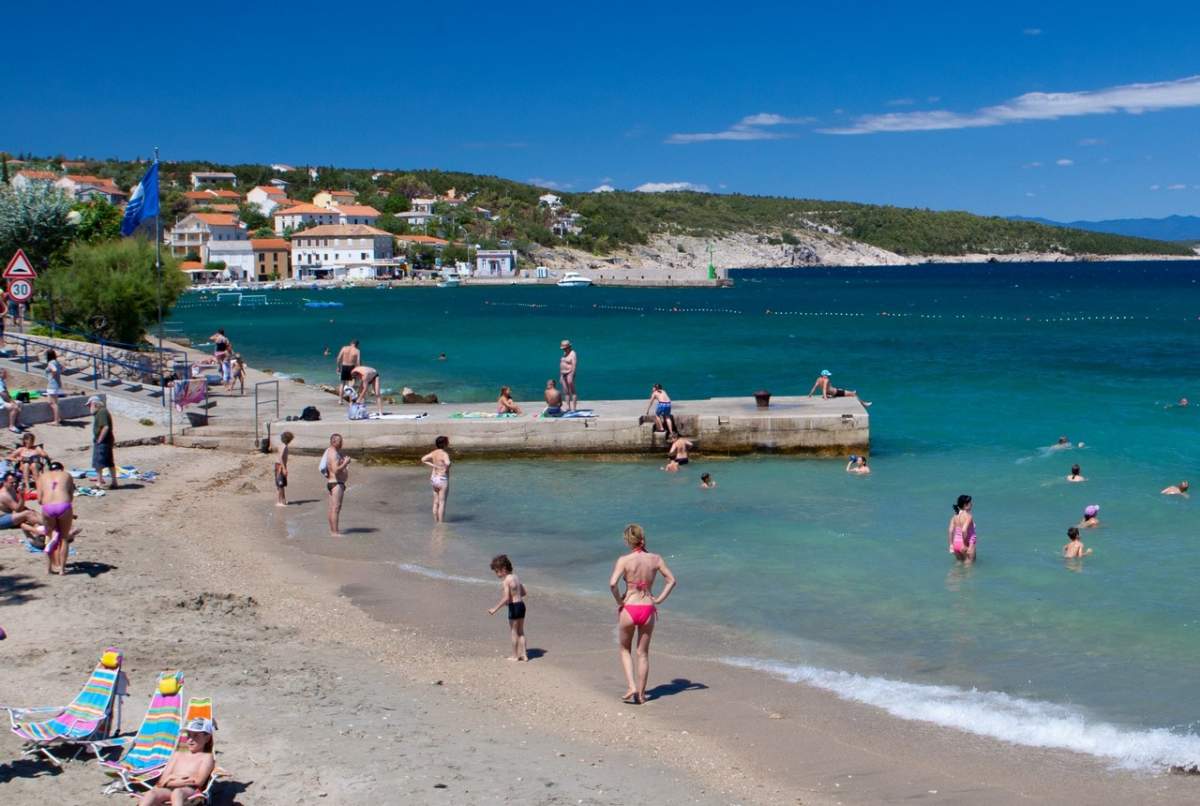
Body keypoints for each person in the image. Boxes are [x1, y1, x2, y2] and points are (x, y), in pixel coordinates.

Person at [608, 524, 676, 705]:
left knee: (624, 649)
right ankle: (642, 694)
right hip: (647, 608)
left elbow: (613, 583)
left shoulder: (624, 560)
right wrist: (659, 599)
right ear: (642, 538)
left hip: (629, 607)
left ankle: (631, 686)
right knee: (643, 653)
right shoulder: (655, 559)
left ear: (627, 541)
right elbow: (672, 580)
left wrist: (619, 601)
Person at [136, 717, 216, 806]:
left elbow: (198, 782)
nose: (190, 739)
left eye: (196, 735)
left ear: (207, 738)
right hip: (168, 789)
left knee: (177, 793)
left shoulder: (206, 757)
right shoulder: (177, 754)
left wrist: (170, 779)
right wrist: (172, 780)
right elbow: (162, 780)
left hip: (189, 790)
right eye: (188, 735)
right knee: (151, 794)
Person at [486, 554, 528, 661]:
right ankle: (524, 654)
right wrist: (514, 596)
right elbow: (523, 592)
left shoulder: (506, 581)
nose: (496, 574)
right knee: (521, 631)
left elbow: (505, 598)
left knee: (514, 632)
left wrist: (494, 609)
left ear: (503, 569)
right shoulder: (516, 577)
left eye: (497, 571)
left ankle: (514, 655)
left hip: (514, 607)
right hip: (521, 605)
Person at [38, 462, 75, 575]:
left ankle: (48, 569)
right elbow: (70, 495)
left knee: (49, 537)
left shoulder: (42, 477)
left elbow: (39, 499)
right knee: (64, 538)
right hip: (63, 505)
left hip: (48, 507)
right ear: (61, 469)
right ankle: (62, 570)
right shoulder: (67, 475)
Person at [321, 433, 351, 537]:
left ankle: (332, 530)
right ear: (334, 442)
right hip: (336, 483)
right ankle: (335, 532)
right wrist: (346, 463)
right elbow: (335, 470)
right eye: (340, 441)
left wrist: (342, 460)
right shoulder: (333, 453)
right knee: (336, 508)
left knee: (332, 508)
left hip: (332, 482)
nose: (342, 443)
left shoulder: (331, 451)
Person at [0, 471, 41, 538]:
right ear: (4, 482)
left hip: (8, 515)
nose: (14, 484)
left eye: (15, 482)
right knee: (28, 513)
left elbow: (19, 507)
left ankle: (48, 524)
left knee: (31, 512)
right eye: (11, 483)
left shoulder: (11, 489)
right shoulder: (4, 494)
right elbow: (18, 509)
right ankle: (48, 526)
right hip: (1, 519)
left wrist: (32, 511)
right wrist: (22, 496)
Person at [88, 396, 118, 489]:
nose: (89, 408)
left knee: (98, 462)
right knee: (109, 462)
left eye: (89, 405)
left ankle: (99, 482)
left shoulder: (102, 412)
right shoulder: (102, 412)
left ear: (94, 404)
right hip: (107, 440)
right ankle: (114, 482)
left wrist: (99, 440)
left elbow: (105, 427)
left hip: (103, 441)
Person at [420, 436, 451, 523]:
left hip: (434, 478)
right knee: (442, 502)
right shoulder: (445, 454)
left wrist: (433, 465)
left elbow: (423, 459)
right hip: (442, 479)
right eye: (447, 442)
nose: (448, 443)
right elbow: (448, 463)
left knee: (435, 502)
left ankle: (435, 522)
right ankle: (441, 524)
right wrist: (446, 469)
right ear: (444, 444)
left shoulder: (433, 452)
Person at [947, 494, 977, 563]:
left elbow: (950, 530)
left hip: (956, 544)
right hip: (968, 543)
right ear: (965, 505)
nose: (971, 504)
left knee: (959, 565)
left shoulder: (954, 516)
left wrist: (951, 545)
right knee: (969, 568)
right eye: (970, 502)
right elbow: (964, 530)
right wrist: (964, 544)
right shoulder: (968, 516)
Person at [335, 340, 361, 406]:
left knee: (342, 384)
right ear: (357, 345)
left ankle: (340, 400)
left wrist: (338, 367)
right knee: (351, 385)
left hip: (344, 366)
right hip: (352, 367)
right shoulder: (357, 351)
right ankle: (350, 401)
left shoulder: (344, 348)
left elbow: (338, 358)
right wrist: (358, 370)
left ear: (351, 343)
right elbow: (358, 362)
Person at [0, 368, 24, 433]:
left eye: (6, 373)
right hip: (1, 401)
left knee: (19, 403)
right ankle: (11, 426)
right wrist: (12, 402)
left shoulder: (3, 381)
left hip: (3, 400)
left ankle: (18, 423)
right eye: (4, 373)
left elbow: (6, 393)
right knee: (14, 407)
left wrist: (13, 400)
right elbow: (3, 394)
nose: (6, 375)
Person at [44, 350, 63, 426]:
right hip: (56, 384)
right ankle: (58, 418)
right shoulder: (56, 362)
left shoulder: (51, 363)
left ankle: (56, 421)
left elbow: (54, 370)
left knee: (53, 403)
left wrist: (52, 376)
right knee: (53, 402)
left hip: (52, 384)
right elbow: (63, 368)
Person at [559, 340, 578, 412]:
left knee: (572, 391)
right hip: (563, 373)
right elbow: (562, 364)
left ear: (569, 347)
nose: (563, 349)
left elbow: (574, 365)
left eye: (565, 348)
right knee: (566, 391)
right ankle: (568, 407)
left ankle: (574, 408)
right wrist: (561, 375)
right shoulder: (565, 353)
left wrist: (572, 375)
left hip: (569, 373)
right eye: (563, 348)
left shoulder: (573, 353)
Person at [275, 431, 293, 507]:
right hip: (280, 466)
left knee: (281, 484)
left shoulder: (282, 445)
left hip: (279, 465)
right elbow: (281, 457)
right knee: (280, 484)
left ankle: (283, 500)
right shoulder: (284, 446)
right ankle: (279, 501)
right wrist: (284, 468)